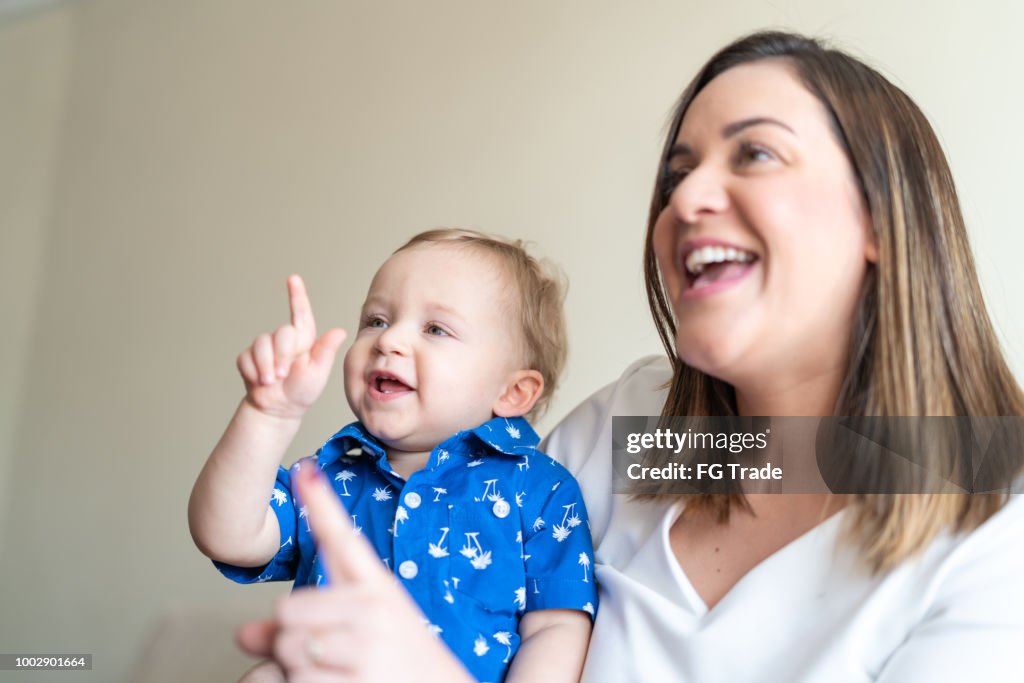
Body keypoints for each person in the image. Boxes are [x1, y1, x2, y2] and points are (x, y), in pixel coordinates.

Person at [235, 30, 1024, 682]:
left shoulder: (997, 527)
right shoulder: (644, 428)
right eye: (677, 174)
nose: (683, 200)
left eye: (754, 154)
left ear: (881, 220)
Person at [189, 229, 597, 683]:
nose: (389, 341)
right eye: (377, 320)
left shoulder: (540, 489)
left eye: (435, 329)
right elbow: (228, 536)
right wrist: (266, 415)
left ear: (513, 391)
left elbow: (556, 626)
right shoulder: (330, 475)